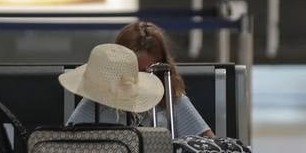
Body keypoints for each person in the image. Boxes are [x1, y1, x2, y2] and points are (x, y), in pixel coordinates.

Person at [64, 22, 213, 137]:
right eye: (133, 71)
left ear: (161, 69)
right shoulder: (96, 102)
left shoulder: (172, 101)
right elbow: (66, 146)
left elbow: (209, 148)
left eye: (147, 72)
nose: (138, 80)